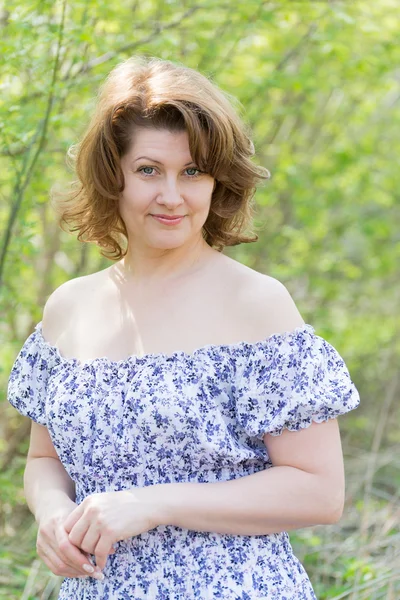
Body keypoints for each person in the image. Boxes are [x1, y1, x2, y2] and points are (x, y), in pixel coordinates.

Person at [7, 56, 360, 600]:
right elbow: (43, 460)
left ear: (219, 181)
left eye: (193, 171)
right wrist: (53, 513)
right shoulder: (68, 308)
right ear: (113, 176)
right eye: (149, 170)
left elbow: (319, 492)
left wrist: (153, 503)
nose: (172, 195)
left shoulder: (256, 305)